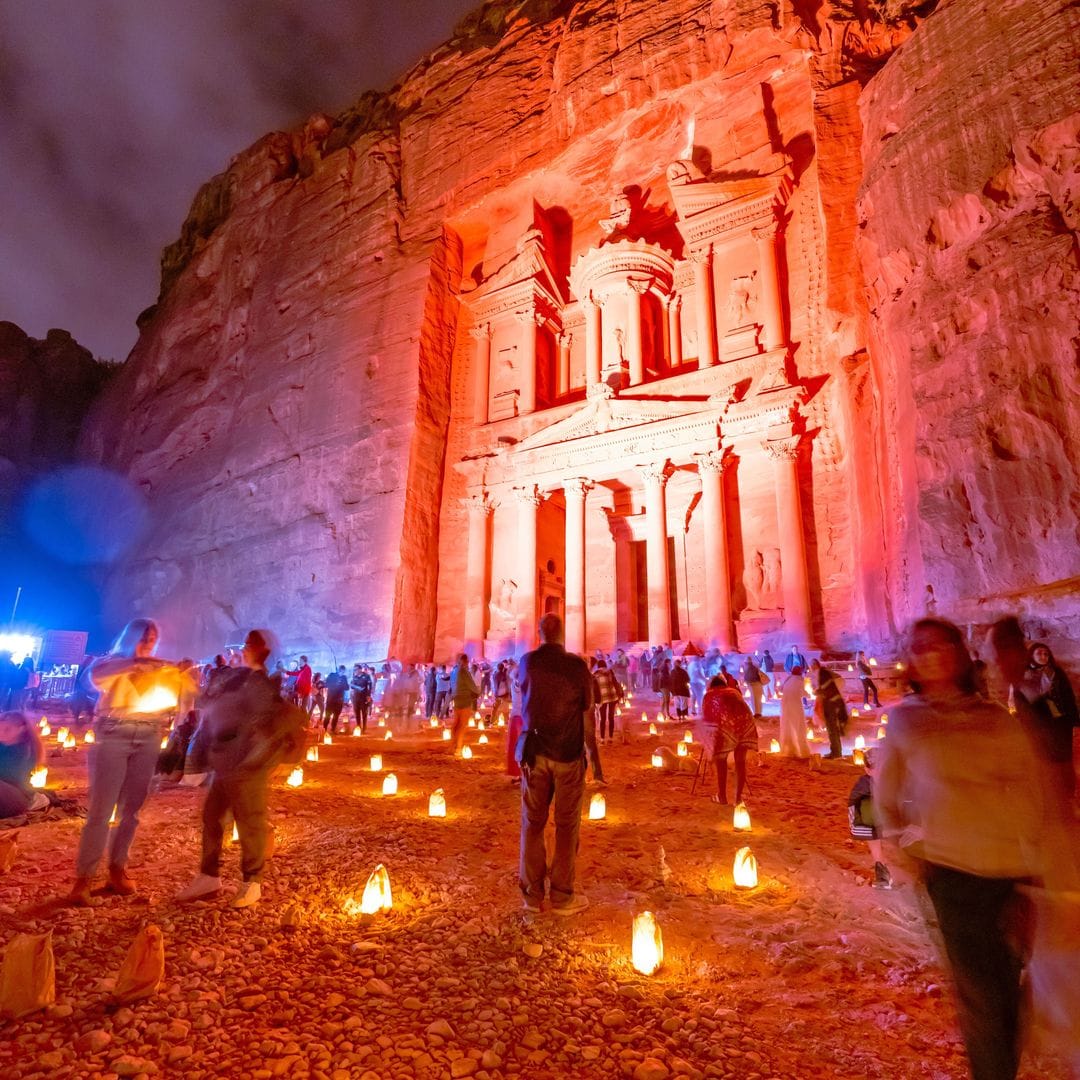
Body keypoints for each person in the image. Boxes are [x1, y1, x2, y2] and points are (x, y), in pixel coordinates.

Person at [876, 617, 1068, 1080]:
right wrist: (895, 844)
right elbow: (886, 793)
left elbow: (1027, 785)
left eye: (942, 644)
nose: (932, 653)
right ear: (913, 662)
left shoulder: (993, 718)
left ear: (960, 654)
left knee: (1006, 980)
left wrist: (1040, 855)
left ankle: (1000, 1060)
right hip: (950, 867)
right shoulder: (905, 719)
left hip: (1011, 866)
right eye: (921, 647)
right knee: (979, 989)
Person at [177, 629, 305, 908]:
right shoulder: (237, 680)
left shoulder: (262, 684)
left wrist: (254, 755)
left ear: (262, 651)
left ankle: (252, 882)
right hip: (225, 761)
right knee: (212, 817)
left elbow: (263, 722)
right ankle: (209, 876)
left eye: (248, 646)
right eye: (243, 646)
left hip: (247, 764)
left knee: (249, 821)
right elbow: (212, 708)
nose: (242, 650)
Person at [69, 618, 187, 905]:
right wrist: (136, 664)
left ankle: (117, 868)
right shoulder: (110, 662)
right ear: (131, 637)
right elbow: (93, 679)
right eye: (144, 638)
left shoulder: (159, 666)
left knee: (132, 809)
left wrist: (176, 674)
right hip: (113, 732)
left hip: (148, 733)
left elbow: (176, 697)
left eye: (153, 638)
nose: (149, 643)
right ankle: (83, 879)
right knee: (101, 809)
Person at [517, 614, 593, 915]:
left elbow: (524, 692)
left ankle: (532, 896)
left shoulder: (527, 662)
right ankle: (562, 896)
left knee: (532, 823)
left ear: (539, 634)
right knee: (566, 825)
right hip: (567, 753)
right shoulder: (577, 666)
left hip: (534, 752)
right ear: (563, 634)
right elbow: (587, 709)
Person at [989, 619, 1077, 799]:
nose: (1043, 657)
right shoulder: (1025, 678)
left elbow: (1066, 697)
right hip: (1039, 731)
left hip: (1058, 725)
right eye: (1040, 653)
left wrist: (1070, 719)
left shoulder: (1054, 674)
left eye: (1046, 654)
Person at [698, 676, 757, 805]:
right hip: (745, 726)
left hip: (724, 728)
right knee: (740, 763)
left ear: (711, 686)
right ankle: (738, 798)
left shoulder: (709, 695)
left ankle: (722, 796)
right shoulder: (734, 691)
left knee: (721, 761)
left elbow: (706, 717)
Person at [847, 747, 892, 889]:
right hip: (867, 815)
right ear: (867, 770)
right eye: (873, 768)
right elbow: (857, 807)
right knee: (872, 832)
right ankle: (882, 870)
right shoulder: (864, 785)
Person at [0, 711, 46, 819]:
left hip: (16, 797)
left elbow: (9, 776)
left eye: (7, 729)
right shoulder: (2, 746)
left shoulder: (25, 750)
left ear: (22, 729)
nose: (1, 733)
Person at [811, 659, 847, 759]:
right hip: (830, 702)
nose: (811, 668)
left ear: (815, 665)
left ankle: (836, 753)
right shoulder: (822, 673)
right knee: (831, 728)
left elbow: (826, 689)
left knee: (832, 728)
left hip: (832, 703)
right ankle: (835, 751)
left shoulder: (823, 673)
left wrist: (816, 692)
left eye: (812, 666)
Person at [779, 665, 810, 758]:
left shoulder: (788, 679)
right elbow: (802, 692)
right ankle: (799, 750)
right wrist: (808, 694)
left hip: (785, 705)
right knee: (798, 726)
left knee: (787, 725)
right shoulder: (799, 681)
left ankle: (788, 748)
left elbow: (781, 689)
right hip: (795, 706)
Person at [450, 653, 479, 753]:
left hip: (456, 699)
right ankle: (458, 747)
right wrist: (477, 693)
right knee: (462, 724)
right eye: (467, 661)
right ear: (465, 661)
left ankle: (453, 744)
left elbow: (452, 685)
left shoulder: (453, 671)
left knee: (456, 723)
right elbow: (471, 685)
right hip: (465, 699)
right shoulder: (464, 672)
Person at [592, 658, 621, 744]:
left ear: (598, 666)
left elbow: (594, 688)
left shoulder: (595, 674)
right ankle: (611, 738)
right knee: (611, 717)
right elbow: (615, 683)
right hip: (612, 696)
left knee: (602, 718)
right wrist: (619, 695)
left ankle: (602, 738)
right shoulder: (610, 672)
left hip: (602, 697)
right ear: (605, 665)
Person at [323, 666, 349, 734]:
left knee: (336, 715)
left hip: (339, 699)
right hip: (331, 699)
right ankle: (324, 728)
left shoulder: (344, 678)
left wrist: (341, 683)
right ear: (338, 670)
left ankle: (333, 729)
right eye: (341, 671)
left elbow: (347, 687)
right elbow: (326, 684)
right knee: (327, 715)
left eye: (343, 672)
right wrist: (335, 682)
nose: (342, 673)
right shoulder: (332, 675)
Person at [350, 664, 373, 733]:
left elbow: (369, 686)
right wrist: (356, 687)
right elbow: (352, 686)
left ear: (360, 669)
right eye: (354, 670)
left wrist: (368, 696)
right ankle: (358, 727)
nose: (355, 671)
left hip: (364, 697)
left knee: (364, 713)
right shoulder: (355, 677)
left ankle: (364, 728)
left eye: (356, 669)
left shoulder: (366, 676)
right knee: (357, 713)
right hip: (356, 697)